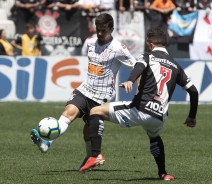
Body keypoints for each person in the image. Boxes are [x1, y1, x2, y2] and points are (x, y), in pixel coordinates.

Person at [79, 28, 199, 180]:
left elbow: (138, 67)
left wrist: (130, 80)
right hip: (160, 115)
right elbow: (194, 91)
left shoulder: (148, 56)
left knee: (95, 111)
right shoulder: (176, 65)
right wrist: (192, 117)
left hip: (141, 108)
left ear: (150, 44)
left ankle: (95, 154)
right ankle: (163, 173)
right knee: (154, 137)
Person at [30, 13, 137, 168]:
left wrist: (131, 81)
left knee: (87, 133)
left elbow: (137, 66)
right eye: (98, 29)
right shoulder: (90, 42)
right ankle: (48, 142)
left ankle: (91, 156)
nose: (99, 33)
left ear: (112, 29)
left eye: (103, 31)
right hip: (85, 88)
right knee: (68, 112)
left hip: (102, 96)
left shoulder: (118, 49)